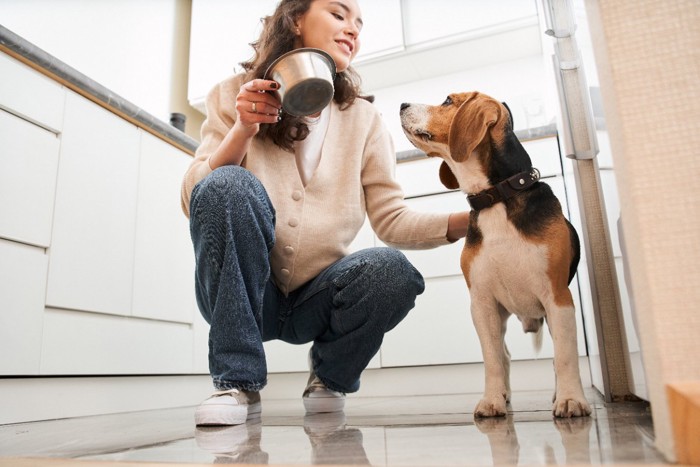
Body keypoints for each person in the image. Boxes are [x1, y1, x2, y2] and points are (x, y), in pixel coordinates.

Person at [181, 0, 469, 427]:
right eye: (338, 14)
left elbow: (391, 219)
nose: (352, 29)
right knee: (226, 184)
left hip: (318, 299)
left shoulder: (365, 120)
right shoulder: (231, 94)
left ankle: (329, 380)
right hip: (243, 295)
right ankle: (235, 382)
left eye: (359, 23)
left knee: (392, 271)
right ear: (296, 19)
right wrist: (243, 129)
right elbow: (195, 197)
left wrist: (471, 220)